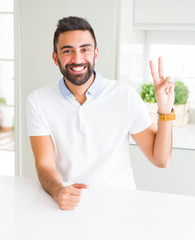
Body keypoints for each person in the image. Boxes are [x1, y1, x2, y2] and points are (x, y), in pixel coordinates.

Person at [27, 16, 174, 210]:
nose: (77, 58)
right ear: (56, 58)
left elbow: (160, 159)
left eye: (85, 49)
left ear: (96, 53)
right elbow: (44, 165)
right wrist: (57, 190)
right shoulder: (38, 101)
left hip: (120, 204)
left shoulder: (124, 96)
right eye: (68, 51)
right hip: (70, 204)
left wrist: (164, 110)